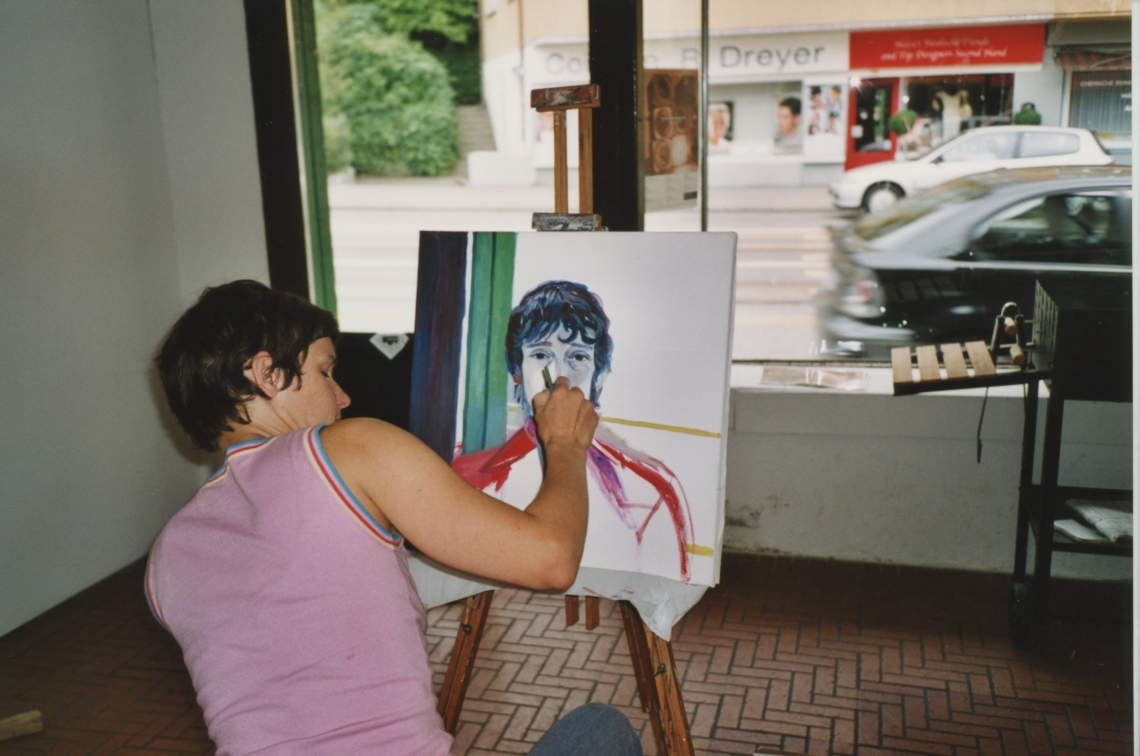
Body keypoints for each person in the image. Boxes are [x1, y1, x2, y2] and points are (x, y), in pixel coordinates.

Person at [145, 280, 642, 756]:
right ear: (267, 374)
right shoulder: (347, 450)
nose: (342, 397)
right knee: (602, 731)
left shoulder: (166, 555)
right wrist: (564, 443)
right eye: (325, 371)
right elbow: (550, 560)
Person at [452, 281, 697, 584]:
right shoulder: (461, 472)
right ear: (517, 369)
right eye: (541, 355)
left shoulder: (651, 491)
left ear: (601, 372)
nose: (559, 378)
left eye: (578, 357)